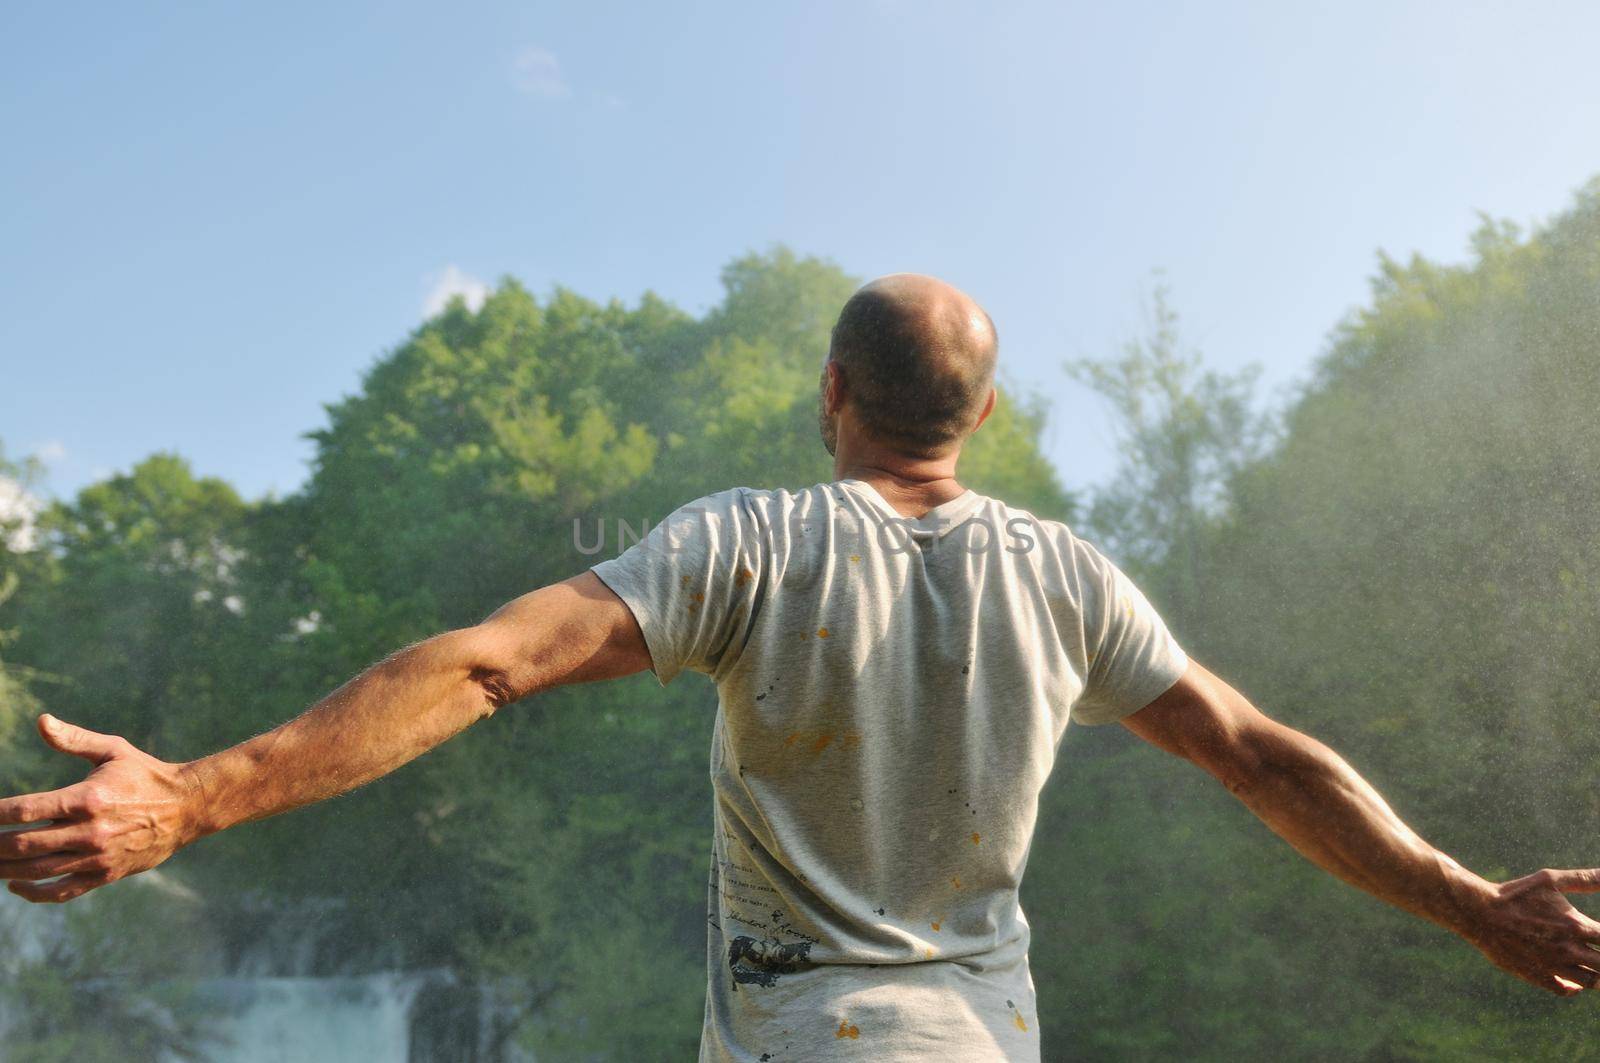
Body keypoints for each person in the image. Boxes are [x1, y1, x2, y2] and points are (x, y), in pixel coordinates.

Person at [2, 274, 1597, 1061]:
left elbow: (484, 667)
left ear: (833, 392)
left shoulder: (747, 543)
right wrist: (1470, 902)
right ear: (979, 415)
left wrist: (195, 802)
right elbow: (1269, 758)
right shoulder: (1072, 580)